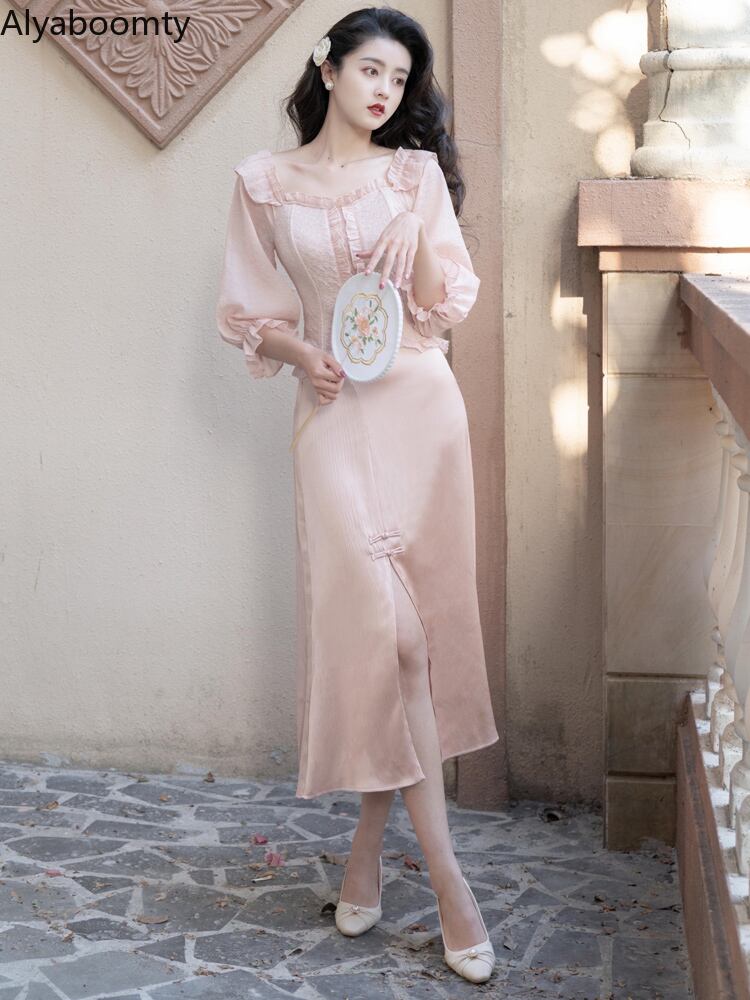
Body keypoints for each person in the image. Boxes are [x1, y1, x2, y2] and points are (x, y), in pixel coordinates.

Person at [215, 6, 499, 985]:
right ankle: (446, 880)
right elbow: (246, 311)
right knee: (389, 637)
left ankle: (375, 855)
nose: (385, 91)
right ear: (328, 68)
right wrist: (304, 352)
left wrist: (413, 238)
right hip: (332, 416)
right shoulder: (263, 182)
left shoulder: (414, 178)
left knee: (410, 645)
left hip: (420, 406)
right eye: (371, 69)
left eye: (400, 80)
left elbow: (447, 294)